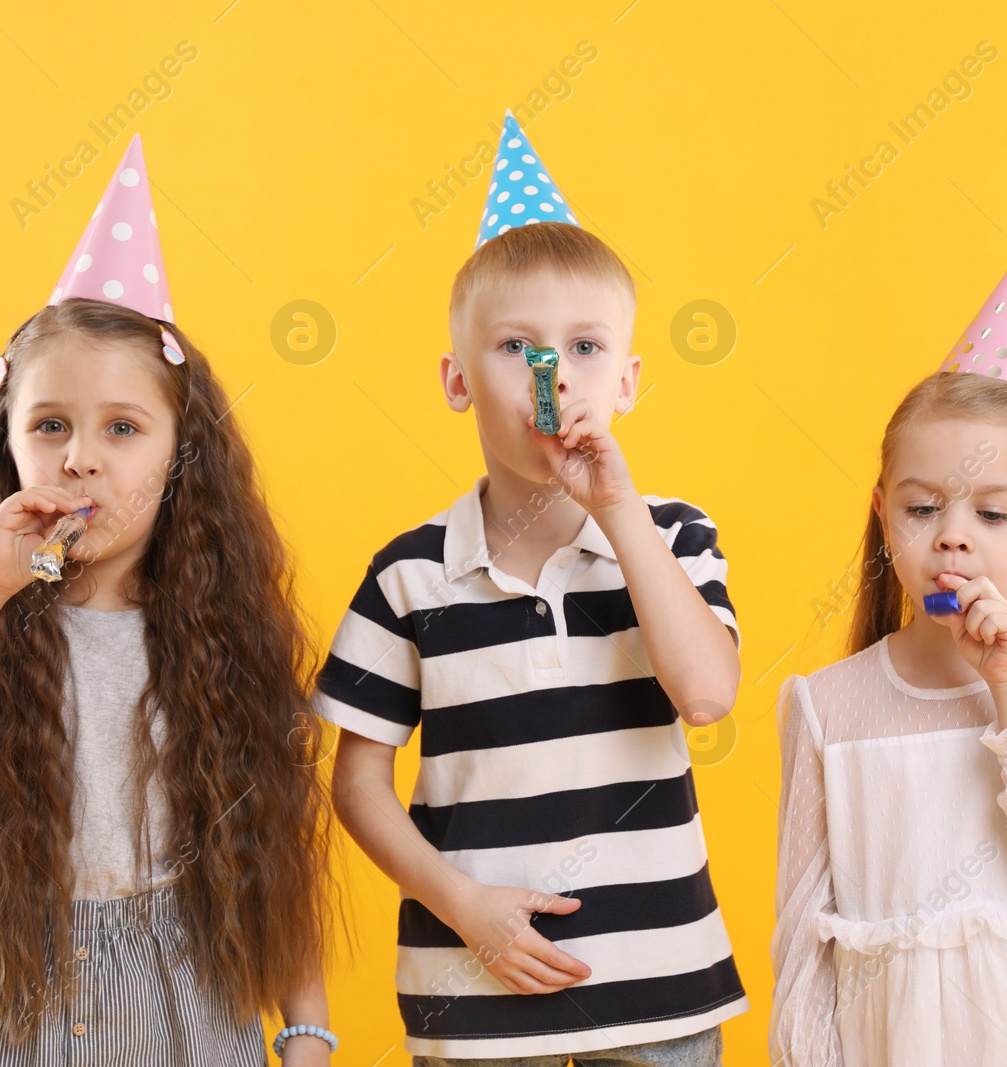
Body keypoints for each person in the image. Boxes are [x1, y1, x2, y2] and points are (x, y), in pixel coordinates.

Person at [0, 135, 336, 1066]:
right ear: (10, 449)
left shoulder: (218, 638)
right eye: (51, 425)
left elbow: (277, 844)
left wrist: (308, 1030)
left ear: (178, 455)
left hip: (177, 1000)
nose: (82, 456)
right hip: (4, 994)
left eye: (122, 427)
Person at [314, 111, 749, 1065]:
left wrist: (620, 511)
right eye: (518, 347)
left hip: (658, 993)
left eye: (586, 348)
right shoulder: (409, 573)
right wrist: (463, 907)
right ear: (458, 380)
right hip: (471, 997)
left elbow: (708, 696)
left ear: (629, 381)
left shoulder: (673, 536)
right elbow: (356, 783)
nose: (555, 374)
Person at [769, 217, 1007, 1065]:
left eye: (991, 512)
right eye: (922, 508)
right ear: (883, 517)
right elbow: (801, 943)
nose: (952, 538)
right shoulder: (826, 705)